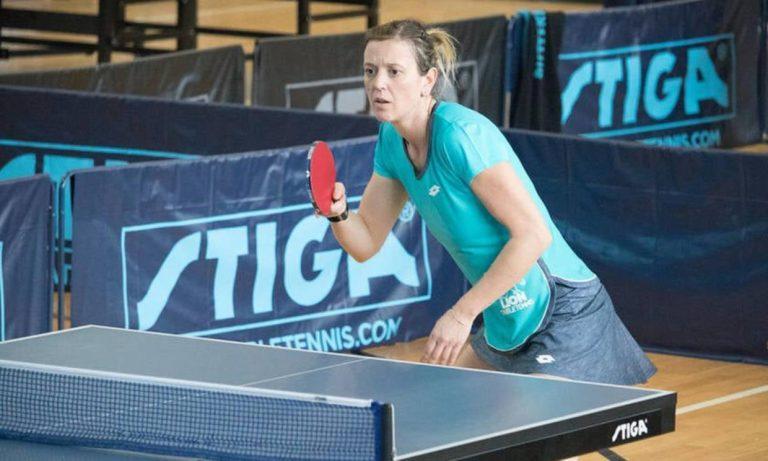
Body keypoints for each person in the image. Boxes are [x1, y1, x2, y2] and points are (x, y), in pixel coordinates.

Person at [321, 19, 656, 385]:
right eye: (370, 71)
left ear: (428, 80)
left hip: (561, 307)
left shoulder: (461, 135)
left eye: (394, 71)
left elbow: (533, 235)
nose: (378, 84)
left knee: (540, 418)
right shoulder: (390, 141)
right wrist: (338, 213)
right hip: (506, 316)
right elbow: (366, 242)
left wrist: (461, 315)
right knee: (440, 404)